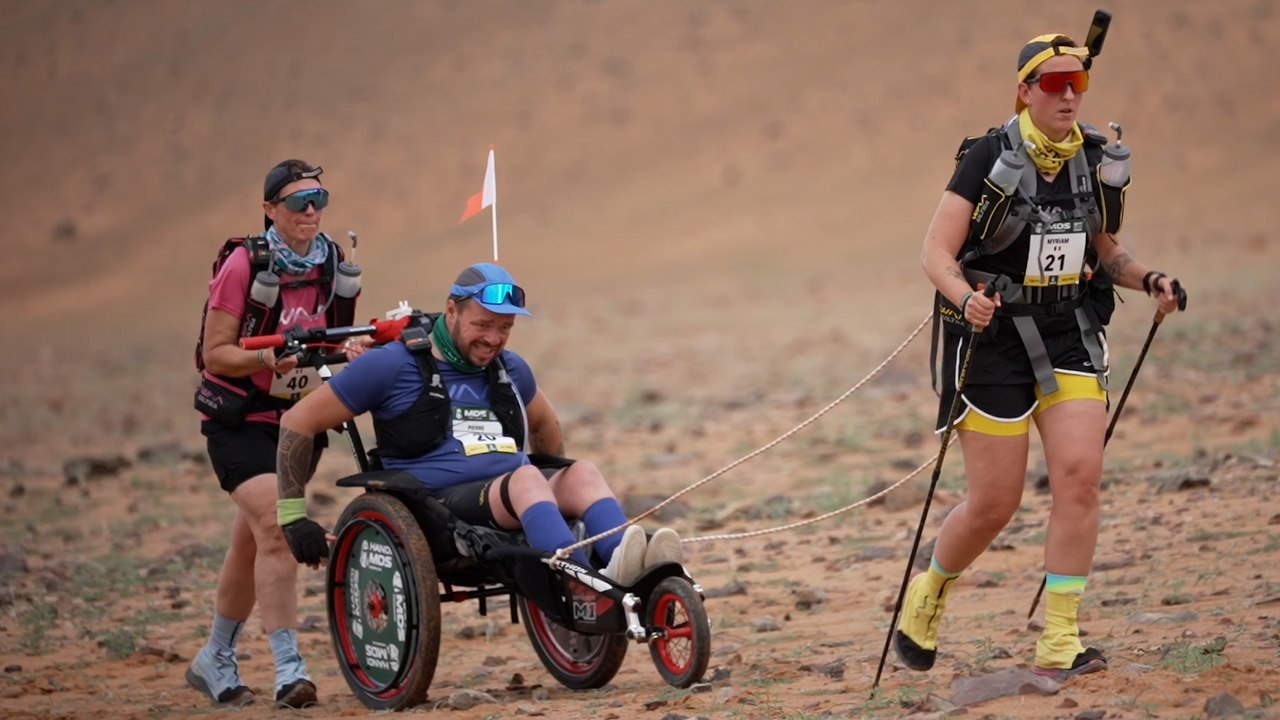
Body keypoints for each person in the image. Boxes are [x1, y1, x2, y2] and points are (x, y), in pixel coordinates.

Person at [897, 34, 1185, 681]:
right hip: (995, 339)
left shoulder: (1093, 158)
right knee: (995, 503)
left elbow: (1107, 251)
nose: (1066, 95)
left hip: (1068, 333)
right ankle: (931, 589)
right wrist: (965, 297)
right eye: (1052, 83)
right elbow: (936, 254)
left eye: (1076, 84)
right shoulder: (985, 157)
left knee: (1080, 478)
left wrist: (1151, 281)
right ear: (1024, 91)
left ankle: (1060, 638)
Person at [274, 262, 683, 588]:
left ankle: (625, 563)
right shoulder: (390, 365)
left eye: (505, 328)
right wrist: (293, 517)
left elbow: (545, 423)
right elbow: (297, 421)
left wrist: (549, 485)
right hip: (439, 509)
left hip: (514, 496)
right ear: (451, 310)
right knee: (525, 481)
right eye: (482, 325)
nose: (494, 338)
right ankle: (582, 583)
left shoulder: (509, 369)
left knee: (582, 473)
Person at [189, 159, 371, 708]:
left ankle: (214, 658)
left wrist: (351, 351)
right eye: (298, 202)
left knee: (252, 540)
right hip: (240, 422)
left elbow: (330, 341)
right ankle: (291, 670)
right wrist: (266, 355)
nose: (311, 211)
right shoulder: (245, 265)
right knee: (275, 526)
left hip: (298, 426)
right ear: (271, 209)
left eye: (319, 200)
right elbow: (216, 352)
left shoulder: (333, 262)